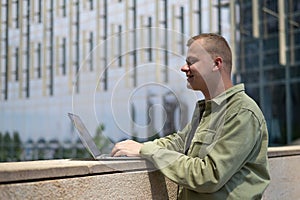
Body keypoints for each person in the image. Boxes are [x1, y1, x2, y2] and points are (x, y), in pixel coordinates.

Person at [111, 33, 270, 199]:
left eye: (191, 62)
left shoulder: (242, 112)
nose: (183, 68)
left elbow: (208, 175)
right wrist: (137, 148)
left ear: (216, 64)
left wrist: (148, 150)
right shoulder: (209, 110)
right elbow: (180, 143)